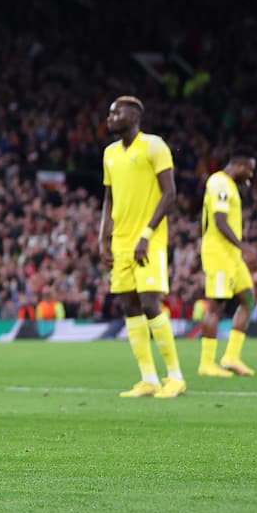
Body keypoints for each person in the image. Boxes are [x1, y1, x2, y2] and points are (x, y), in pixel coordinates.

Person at [98, 96, 186, 398]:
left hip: (149, 240)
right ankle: (149, 378)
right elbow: (109, 199)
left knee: (150, 303)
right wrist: (103, 237)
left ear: (134, 116)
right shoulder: (110, 153)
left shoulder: (154, 146)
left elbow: (169, 193)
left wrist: (147, 234)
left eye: (116, 113)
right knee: (130, 307)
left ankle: (175, 376)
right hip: (121, 241)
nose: (110, 117)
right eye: (109, 113)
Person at [197, 150, 257, 377]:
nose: (251, 175)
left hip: (232, 255)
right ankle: (206, 363)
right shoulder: (219, 182)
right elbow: (219, 221)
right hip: (220, 254)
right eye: (249, 169)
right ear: (240, 165)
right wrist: (244, 248)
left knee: (249, 299)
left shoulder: (230, 185)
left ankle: (231, 357)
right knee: (216, 306)